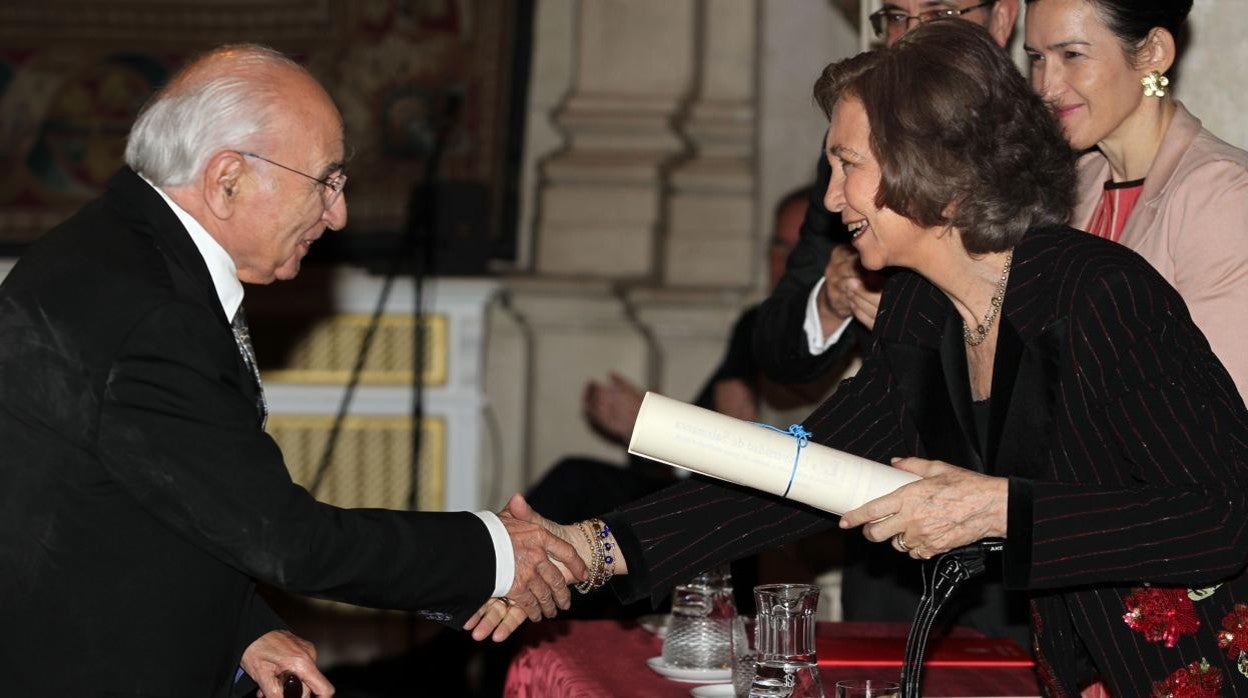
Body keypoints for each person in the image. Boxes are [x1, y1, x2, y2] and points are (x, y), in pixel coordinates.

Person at [473, 20, 1248, 695]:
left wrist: (1000, 510)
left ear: (933, 171)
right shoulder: (921, 310)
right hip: (1084, 672)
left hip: (1203, 665)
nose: (834, 199)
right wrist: (594, 548)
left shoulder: (1097, 291)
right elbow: (793, 476)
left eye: (850, 166)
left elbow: (1224, 512)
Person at [0, 44, 584, 698]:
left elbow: (146, 493)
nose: (338, 214)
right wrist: (499, 552)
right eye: (326, 181)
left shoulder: (110, 248)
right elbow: (289, 541)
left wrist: (243, 626)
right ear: (227, 180)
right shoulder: (152, 312)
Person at [752, 0, 1020, 386]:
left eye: (939, 14)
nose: (913, 35)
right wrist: (831, 301)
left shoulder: (1036, 151)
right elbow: (776, 347)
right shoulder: (848, 157)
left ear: (1002, 18)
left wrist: (917, 326)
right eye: (896, 17)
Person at [1025, 0, 1248, 398]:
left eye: (1072, 55)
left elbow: (1221, 412)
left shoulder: (1221, 195)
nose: (1046, 87)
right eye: (1037, 58)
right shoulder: (1073, 183)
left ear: (1153, 53)